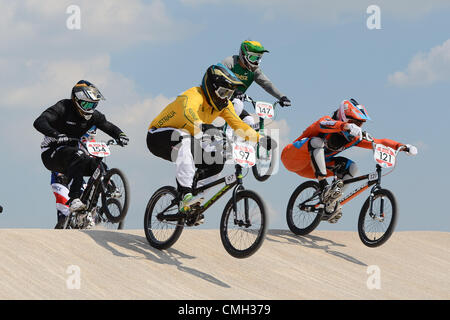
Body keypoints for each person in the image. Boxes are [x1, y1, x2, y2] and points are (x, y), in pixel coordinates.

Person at [147, 64, 273, 222]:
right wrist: (202, 125)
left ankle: (195, 201)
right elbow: (188, 112)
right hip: (158, 136)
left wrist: (259, 138)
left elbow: (239, 126)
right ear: (211, 88)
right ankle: (186, 193)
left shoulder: (224, 105)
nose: (225, 97)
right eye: (222, 92)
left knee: (217, 160)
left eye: (229, 93)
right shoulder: (193, 95)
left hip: (188, 137)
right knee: (184, 141)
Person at [281, 98, 417, 222]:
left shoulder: (354, 137)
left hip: (311, 168)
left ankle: (331, 203)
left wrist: (403, 147)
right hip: (292, 157)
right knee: (317, 141)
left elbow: (380, 142)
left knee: (352, 168)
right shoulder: (326, 120)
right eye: (354, 122)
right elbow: (325, 124)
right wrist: (345, 126)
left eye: (360, 123)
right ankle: (323, 186)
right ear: (343, 117)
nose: (357, 126)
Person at [34, 80, 129, 214]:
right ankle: (74, 199)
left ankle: (90, 207)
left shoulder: (94, 116)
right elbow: (39, 122)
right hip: (52, 153)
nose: (90, 108)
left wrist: (120, 135)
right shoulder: (63, 107)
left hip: (73, 156)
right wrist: (56, 134)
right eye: (86, 104)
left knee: (98, 165)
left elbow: (108, 126)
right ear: (76, 100)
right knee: (78, 155)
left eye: (93, 105)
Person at [221, 40, 292, 126]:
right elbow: (219, 78)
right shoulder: (230, 62)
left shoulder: (254, 70)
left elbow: (267, 84)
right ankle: (227, 134)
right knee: (238, 104)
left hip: (234, 104)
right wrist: (233, 91)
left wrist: (282, 97)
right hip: (220, 100)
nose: (256, 62)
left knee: (249, 120)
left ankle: (237, 139)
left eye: (258, 58)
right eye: (253, 58)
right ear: (243, 55)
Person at [51, 127, 97, 229]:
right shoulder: (71, 140)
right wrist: (59, 173)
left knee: (86, 197)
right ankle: (62, 227)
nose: (91, 136)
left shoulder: (92, 143)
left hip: (76, 177)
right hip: (60, 179)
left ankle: (86, 219)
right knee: (64, 207)